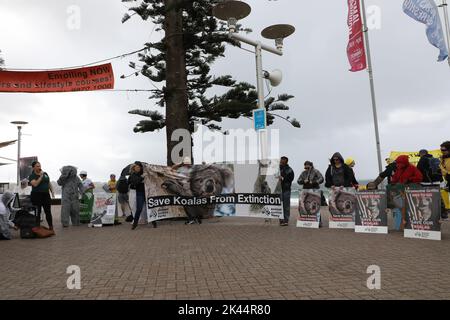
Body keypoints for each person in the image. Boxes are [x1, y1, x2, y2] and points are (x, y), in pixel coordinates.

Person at [172, 157, 200, 225]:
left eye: (188, 163)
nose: (187, 165)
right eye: (186, 163)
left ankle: (192, 218)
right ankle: (195, 218)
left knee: (188, 204)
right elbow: (172, 169)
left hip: (189, 189)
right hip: (183, 188)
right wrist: (179, 164)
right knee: (188, 204)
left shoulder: (192, 169)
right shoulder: (181, 168)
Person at [129, 161, 157, 230]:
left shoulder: (144, 173)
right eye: (136, 167)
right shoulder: (133, 175)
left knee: (150, 207)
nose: (138, 168)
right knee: (139, 209)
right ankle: (135, 224)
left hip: (147, 193)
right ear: (134, 168)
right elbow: (135, 182)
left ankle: (154, 222)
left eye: (139, 167)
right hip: (140, 193)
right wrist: (141, 177)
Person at [28, 161, 54, 231]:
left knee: (48, 211)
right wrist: (41, 176)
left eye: (39, 166)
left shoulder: (45, 174)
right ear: (33, 168)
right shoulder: (31, 176)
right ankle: (37, 227)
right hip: (36, 195)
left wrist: (52, 192)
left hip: (46, 195)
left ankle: (51, 227)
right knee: (38, 211)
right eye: (37, 166)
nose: (39, 167)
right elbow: (35, 184)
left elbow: (48, 183)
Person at [279, 156, 294, 226]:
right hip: (278, 190)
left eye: (283, 160)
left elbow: (291, 179)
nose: (281, 161)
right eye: (281, 160)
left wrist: (283, 178)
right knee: (279, 205)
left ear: (286, 161)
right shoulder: (277, 169)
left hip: (286, 189)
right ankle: (281, 220)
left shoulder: (289, 169)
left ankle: (286, 220)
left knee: (286, 206)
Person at [440, 141, 450, 220]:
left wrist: (444, 171)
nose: (442, 151)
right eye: (441, 150)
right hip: (447, 180)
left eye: (444, 150)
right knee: (443, 192)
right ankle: (447, 209)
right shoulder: (443, 158)